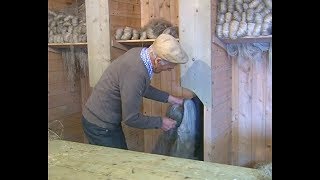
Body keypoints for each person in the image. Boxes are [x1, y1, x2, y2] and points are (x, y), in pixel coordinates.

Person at [81, 34, 189, 150]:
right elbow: (131, 118)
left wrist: (171, 99)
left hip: (102, 119)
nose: (167, 71)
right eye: (168, 68)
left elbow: (140, 87)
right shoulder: (135, 72)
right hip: (100, 125)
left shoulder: (140, 54)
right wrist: (160, 122)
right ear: (158, 61)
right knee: (116, 166)